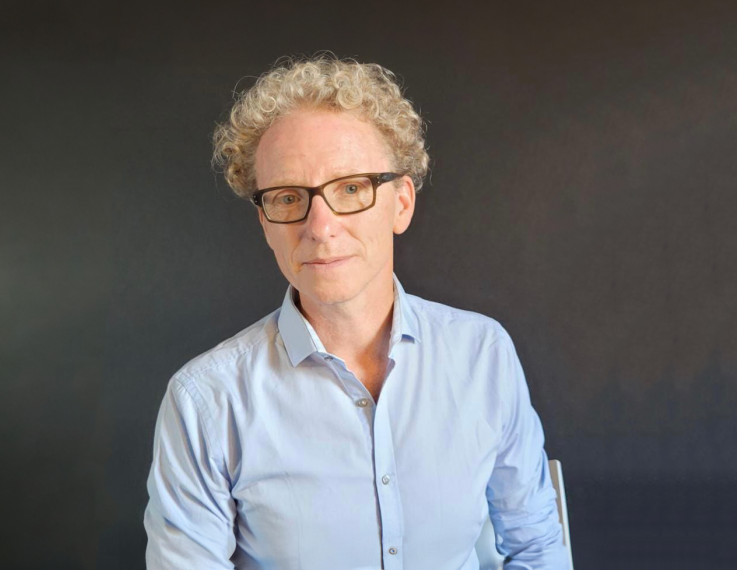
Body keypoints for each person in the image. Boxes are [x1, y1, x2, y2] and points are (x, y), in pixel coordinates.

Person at [144, 55, 570, 570]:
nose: (320, 227)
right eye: (288, 197)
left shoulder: (483, 354)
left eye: (350, 188)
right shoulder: (207, 401)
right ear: (264, 222)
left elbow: (537, 549)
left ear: (402, 204)